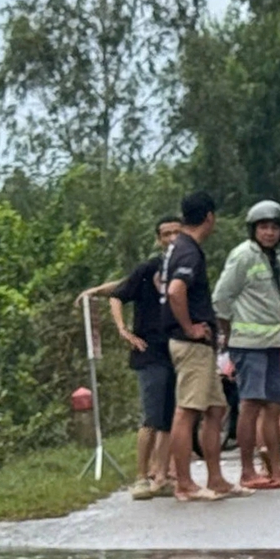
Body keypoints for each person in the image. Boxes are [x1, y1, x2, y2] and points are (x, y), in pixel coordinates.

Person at [80, 215, 180, 499]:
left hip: (176, 350)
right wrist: (123, 330)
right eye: (166, 234)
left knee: (169, 417)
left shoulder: (187, 267)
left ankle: (161, 475)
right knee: (151, 417)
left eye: (177, 232)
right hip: (149, 352)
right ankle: (140, 476)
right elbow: (122, 292)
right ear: (159, 239)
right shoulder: (149, 268)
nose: (172, 238)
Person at [213, 198, 280, 489]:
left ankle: (277, 468)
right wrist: (229, 333)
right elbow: (220, 298)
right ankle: (246, 471)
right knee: (250, 404)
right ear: (253, 229)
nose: (269, 233)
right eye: (263, 227)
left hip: (272, 342)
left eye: (274, 228)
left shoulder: (275, 259)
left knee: (275, 405)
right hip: (248, 343)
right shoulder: (243, 256)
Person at [163, 191, 238, 501]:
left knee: (216, 407)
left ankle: (216, 478)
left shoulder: (178, 247)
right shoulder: (188, 251)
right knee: (187, 411)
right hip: (190, 344)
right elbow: (175, 290)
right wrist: (189, 327)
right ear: (209, 217)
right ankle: (184, 483)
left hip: (201, 347)